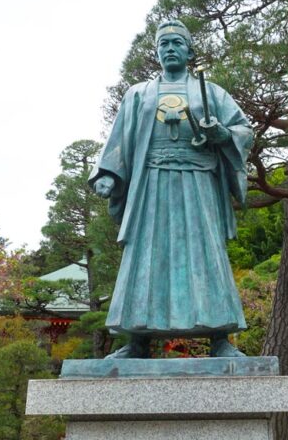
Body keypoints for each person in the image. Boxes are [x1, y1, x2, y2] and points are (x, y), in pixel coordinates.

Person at [89, 20, 253, 358]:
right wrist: (109, 174)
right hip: (151, 184)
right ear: (156, 52)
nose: (170, 49)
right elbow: (118, 140)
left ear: (190, 51)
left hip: (197, 182)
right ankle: (137, 341)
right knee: (145, 254)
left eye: (177, 43)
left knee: (205, 253)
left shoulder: (212, 92)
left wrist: (222, 134)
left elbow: (243, 130)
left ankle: (220, 339)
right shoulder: (138, 95)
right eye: (164, 44)